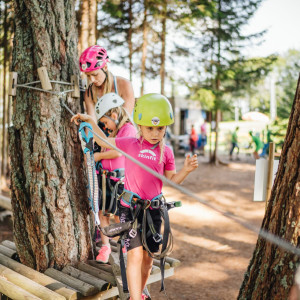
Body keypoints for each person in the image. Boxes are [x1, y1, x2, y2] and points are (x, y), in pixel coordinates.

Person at [71, 93, 198, 300]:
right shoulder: (130, 143)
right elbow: (103, 139)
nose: (155, 133)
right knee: (135, 254)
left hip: (154, 211)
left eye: (160, 128)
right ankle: (135, 297)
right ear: (140, 126)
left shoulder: (166, 152)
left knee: (148, 259)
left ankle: (140, 291)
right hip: (129, 209)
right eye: (150, 128)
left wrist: (186, 170)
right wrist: (91, 121)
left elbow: (172, 180)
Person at [92, 93, 137, 263]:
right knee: (103, 213)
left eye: (105, 122)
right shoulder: (113, 131)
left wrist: (97, 157)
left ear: (114, 115)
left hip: (119, 180)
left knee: (119, 216)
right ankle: (106, 246)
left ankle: (125, 246)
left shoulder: (128, 129)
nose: (105, 126)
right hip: (104, 177)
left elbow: (119, 151)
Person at [79, 45, 135, 121]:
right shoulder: (89, 93)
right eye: (88, 76)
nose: (92, 80)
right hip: (103, 131)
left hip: (125, 129)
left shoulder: (124, 85)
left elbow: (125, 120)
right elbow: (92, 123)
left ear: (105, 67)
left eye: (95, 75)